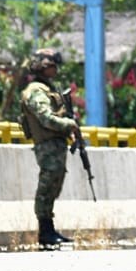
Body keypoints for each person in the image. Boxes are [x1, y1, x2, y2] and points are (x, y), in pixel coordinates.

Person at [19, 47, 79, 249]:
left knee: (54, 183)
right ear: (43, 68)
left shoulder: (47, 89)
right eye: (52, 66)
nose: (56, 70)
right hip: (46, 145)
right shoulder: (36, 90)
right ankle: (45, 230)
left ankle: (49, 229)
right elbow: (45, 118)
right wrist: (68, 125)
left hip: (56, 145)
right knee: (47, 184)